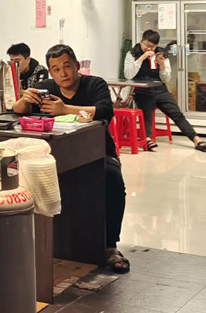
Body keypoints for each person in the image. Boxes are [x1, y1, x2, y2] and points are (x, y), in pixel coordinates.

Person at [13, 44, 129, 273]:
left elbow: (105, 110)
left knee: (113, 180)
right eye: (55, 69)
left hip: (98, 151)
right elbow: (17, 111)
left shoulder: (95, 84)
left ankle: (110, 246)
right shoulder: (45, 87)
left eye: (67, 66)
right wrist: (25, 99)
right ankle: (46, 246)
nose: (62, 73)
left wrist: (64, 109)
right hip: (56, 153)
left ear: (77, 66)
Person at [125, 29, 206, 152]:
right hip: (142, 91)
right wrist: (142, 58)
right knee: (146, 114)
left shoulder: (161, 53)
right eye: (146, 45)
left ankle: (196, 139)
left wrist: (162, 66)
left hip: (160, 90)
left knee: (177, 114)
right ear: (141, 41)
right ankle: (148, 140)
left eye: (152, 46)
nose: (149, 49)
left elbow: (166, 78)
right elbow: (128, 75)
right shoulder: (132, 54)